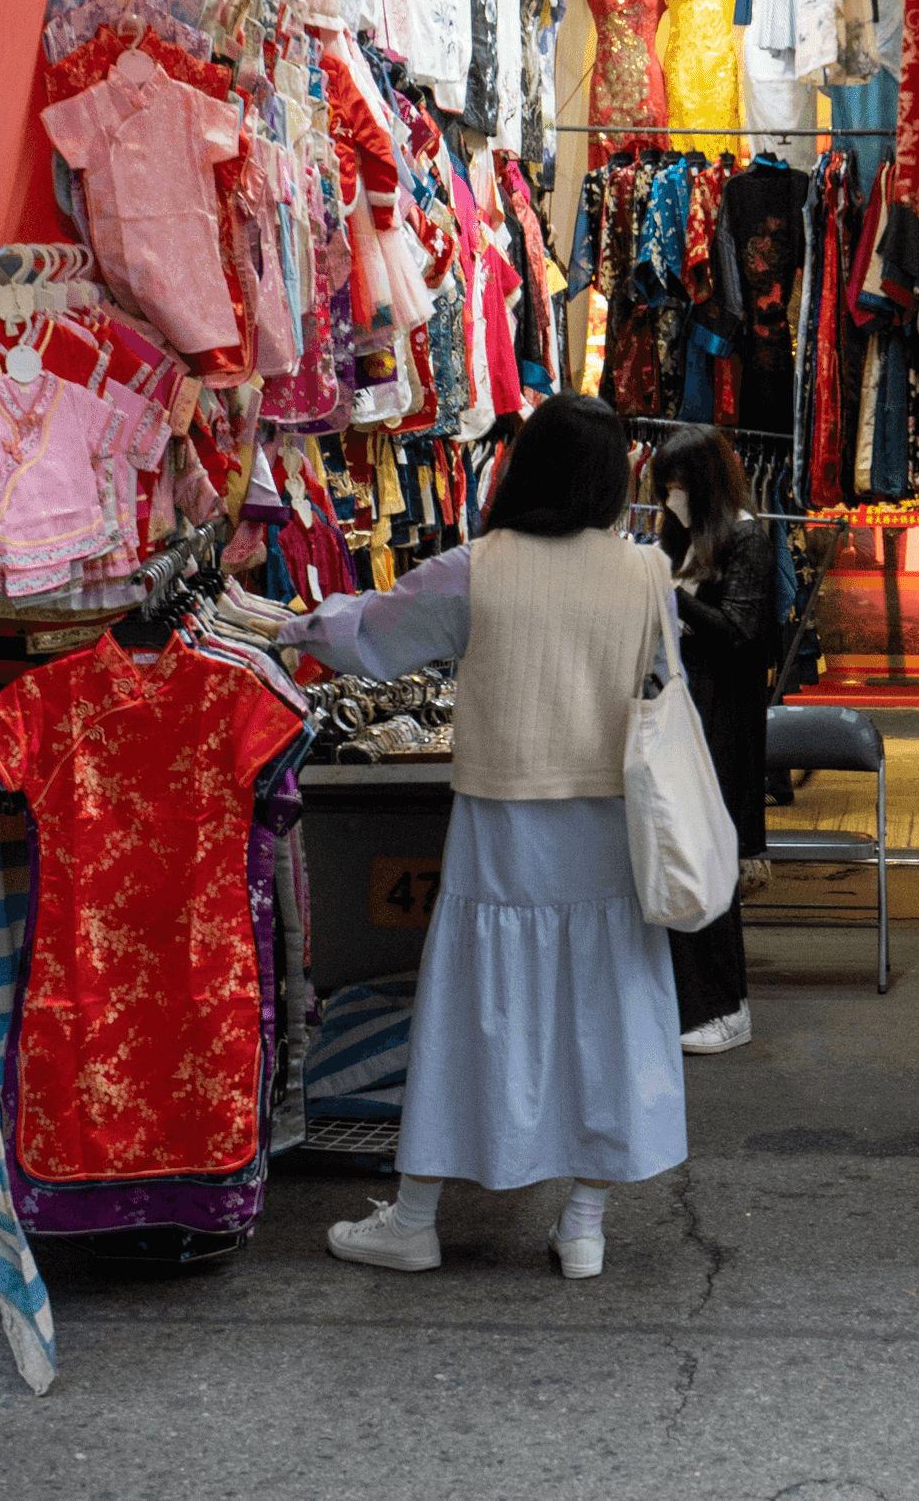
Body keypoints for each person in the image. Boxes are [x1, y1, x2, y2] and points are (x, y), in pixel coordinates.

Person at [285, 392, 684, 1280]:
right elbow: (664, 692)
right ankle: (583, 1224)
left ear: (526, 468)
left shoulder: (478, 567)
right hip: (611, 830)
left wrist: (280, 625)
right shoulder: (646, 573)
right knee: (605, 1015)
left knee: (474, 1011)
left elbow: (372, 637)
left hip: (504, 827)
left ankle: (415, 1217)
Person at [653, 425, 775, 1056]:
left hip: (722, 719)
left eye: (678, 486)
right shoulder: (679, 540)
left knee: (710, 857)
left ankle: (727, 1006)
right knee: (682, 853)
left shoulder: (747, 538)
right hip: (680, 715)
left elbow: (741, 633)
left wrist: (668, 595)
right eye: (664, 487)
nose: (669, 499)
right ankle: (693, 1003)